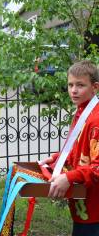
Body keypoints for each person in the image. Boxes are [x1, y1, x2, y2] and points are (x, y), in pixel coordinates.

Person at [40, 60, 99, 236]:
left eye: (80, 85)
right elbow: (80, 149)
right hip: (84, 203)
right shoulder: (83, 110)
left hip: (95, 208)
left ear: (95, 87)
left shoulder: (96, 120)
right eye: (70, 84)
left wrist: (69, 177)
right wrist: (59, 158)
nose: (73, 90)